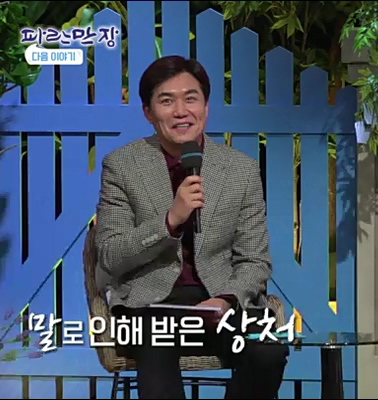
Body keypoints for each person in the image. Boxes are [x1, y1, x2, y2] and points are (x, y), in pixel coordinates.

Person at [94, 55, 289, 399]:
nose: (181, 111)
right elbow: (111, 255)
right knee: (156, 362)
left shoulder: (240, 170)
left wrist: (226, 299)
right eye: (167, 101)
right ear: (148, 112)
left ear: (206, 106)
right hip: (151, 308)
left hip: (221, 303)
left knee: (268, 352)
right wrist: (170, 221)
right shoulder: (122, 166)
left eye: (191, 98)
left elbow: (254, 260)